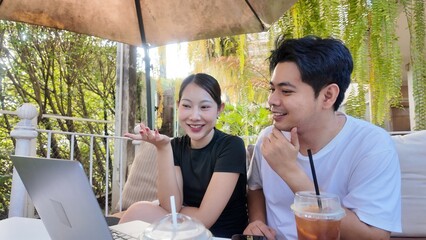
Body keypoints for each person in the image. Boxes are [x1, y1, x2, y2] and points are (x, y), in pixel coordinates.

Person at [243, 36, 401, 240]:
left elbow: (374, 237)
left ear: (328, 96)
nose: (271, 100)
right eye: (272, 89)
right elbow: (256, 186)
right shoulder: (269, 139)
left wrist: (291, 173)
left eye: (286, 91)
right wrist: (258, 221)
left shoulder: (371, 146)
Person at [119, 73, 248, 238]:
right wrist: (163, 148)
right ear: (178, 105)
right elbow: (170, 205)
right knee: (137, 212)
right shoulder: (175, 146)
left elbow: (204, 219)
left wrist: (178, 211)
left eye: (204, 107)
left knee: (141, 211)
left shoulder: (231, 146)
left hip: (220, 236)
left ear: (219, 109)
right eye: (187, 106)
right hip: (184, 232)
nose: (194, 116)